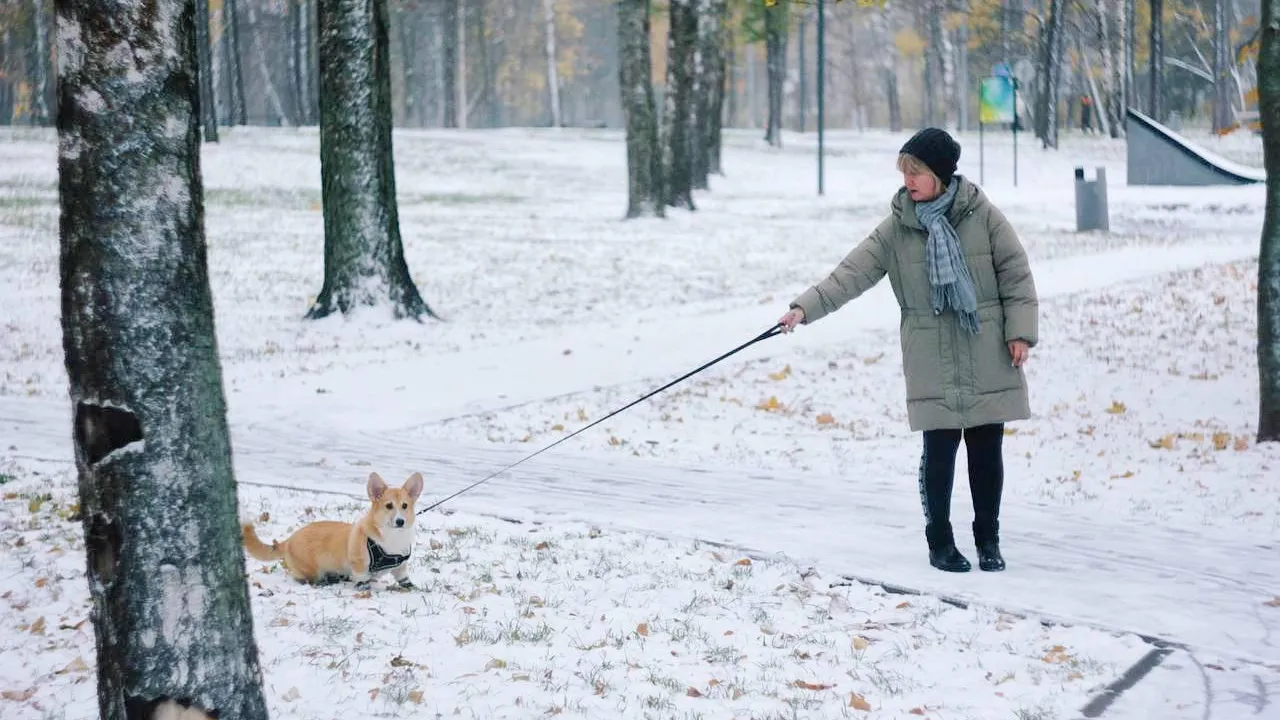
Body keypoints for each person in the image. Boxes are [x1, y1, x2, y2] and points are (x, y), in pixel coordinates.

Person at [778, 127, 1038, 573]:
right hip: (929, 351)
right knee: (939, 451)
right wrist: (804, 309)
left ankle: (987, 538)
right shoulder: (898, 226)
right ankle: (940, 541)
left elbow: (1016, 274)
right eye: (905, 173)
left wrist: (1020, 332)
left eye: (916, 172)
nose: (908, 182)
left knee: (985, 448)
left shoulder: (983, 215)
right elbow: (851, 273)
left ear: (940, 174)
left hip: (984, 344)